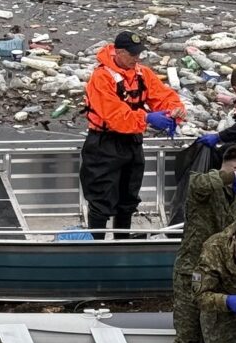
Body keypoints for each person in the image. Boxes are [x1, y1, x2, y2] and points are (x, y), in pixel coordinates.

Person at [166, 143, 236, 343]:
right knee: (188, 339)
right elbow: (199, 185)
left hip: (216, 278)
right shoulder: (203, 185)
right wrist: (232, 177)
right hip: (191, 272)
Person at [79, 30, 186, 238]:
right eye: (132, 54)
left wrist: (176, 110)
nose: (137, 58)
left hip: (132, 142)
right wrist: (146, 119)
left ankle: (122, 243)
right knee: (101, 199)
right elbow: (116, 116)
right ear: (118, 52)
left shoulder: (141, 74)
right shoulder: (101, 78)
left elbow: (163, 96)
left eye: (139, 54)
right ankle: (96, 246)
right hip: (104, 144)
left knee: (128, 198)